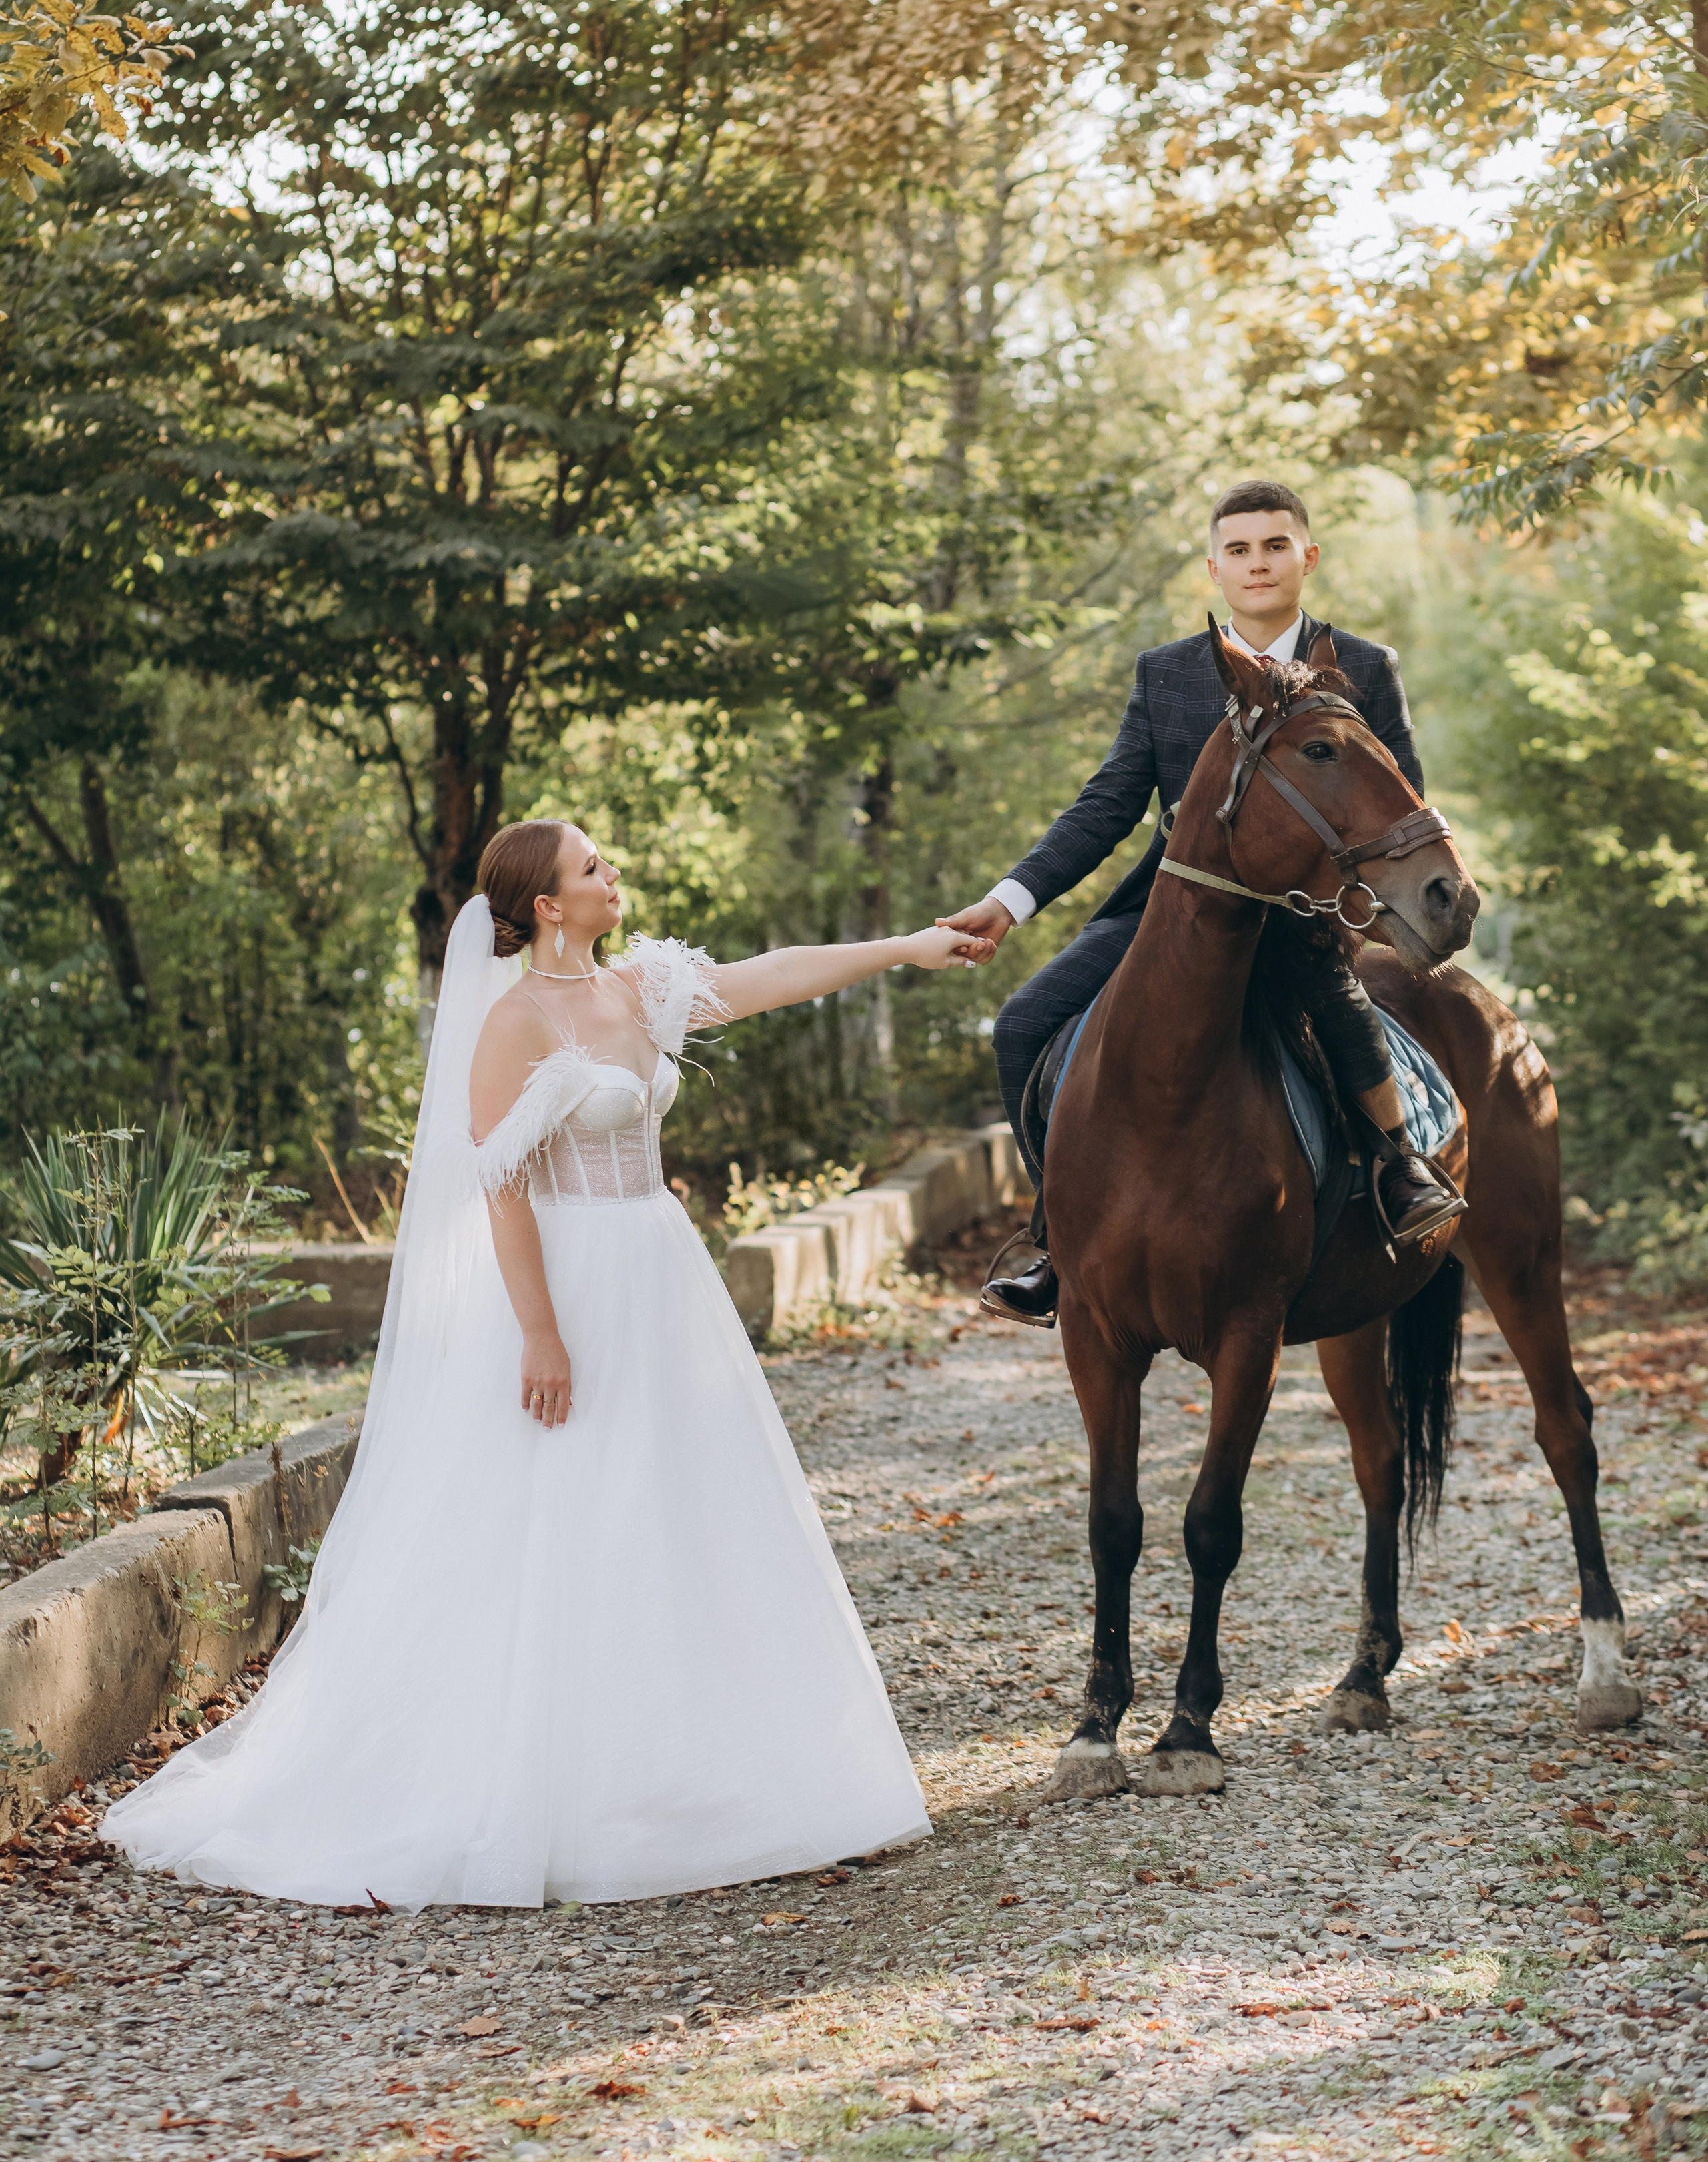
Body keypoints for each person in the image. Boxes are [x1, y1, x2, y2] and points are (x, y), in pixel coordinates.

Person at [104, 822, 981, 1909]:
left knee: (682, 1508)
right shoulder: (511, 1022)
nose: (615, 876)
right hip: (568, 1284)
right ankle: (555, 1794)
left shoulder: (642, 988)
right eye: (594, 869)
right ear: (550, 905)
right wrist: (541, 1332)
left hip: (659, 1274)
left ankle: (706, 1778)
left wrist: (906, 947)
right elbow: (502, 1187)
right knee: (569, 1513)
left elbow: (770, 978)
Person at [939, 480, 1466, 1325]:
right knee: (1022, 1024)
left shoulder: (1363, 667)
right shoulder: (1166, 673)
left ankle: (1400, 1169)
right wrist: (1009, 901)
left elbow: (1398, 797)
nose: (1257, 563)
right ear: (1213, 567)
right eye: (1240, 549)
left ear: (1307, 557)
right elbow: (1108, 804)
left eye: (1275, 546)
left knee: (1341, 1013)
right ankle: (1054, 1235)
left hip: (1303, 915)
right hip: (1164, 914)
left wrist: (1363, 910)